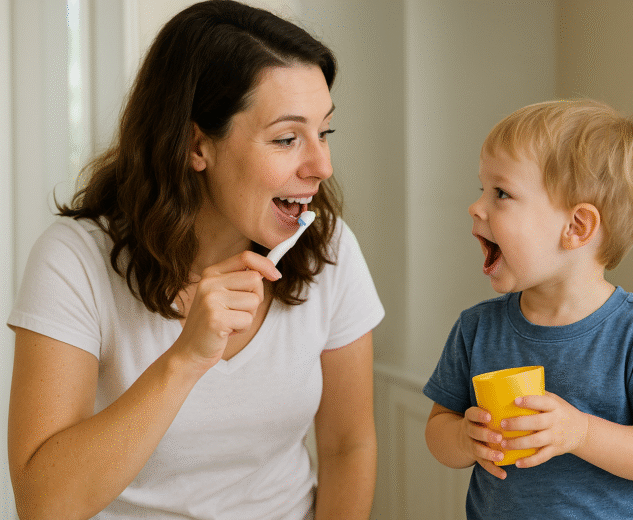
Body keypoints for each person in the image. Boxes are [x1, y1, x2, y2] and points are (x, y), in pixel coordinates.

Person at [7, 1, 384, 519]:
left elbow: (348, 447)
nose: (322, 165)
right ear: (195, 145)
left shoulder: (330, 247)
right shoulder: (75, 260)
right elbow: (43, 505)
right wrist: (184, 361)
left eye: (324, 132)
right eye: (286, 138)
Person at [423, 99, 633, 519]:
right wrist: (465, 438)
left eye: (501, 193)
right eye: (481, 188)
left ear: (576, 228)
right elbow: (437, 429)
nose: (476, 206)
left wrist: (581, 432)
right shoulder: (476, 328)